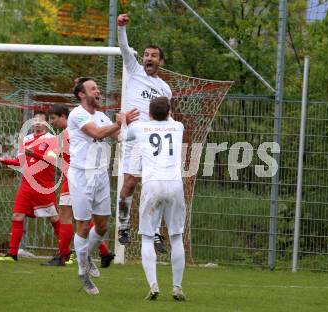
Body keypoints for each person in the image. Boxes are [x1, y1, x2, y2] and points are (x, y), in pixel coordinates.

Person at [68, 77, 138, 295]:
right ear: (82, 94)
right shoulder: (77, 113)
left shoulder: (100, 116)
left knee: (103, 226)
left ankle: (86, 255)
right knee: (82, 225)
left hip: (100, 175)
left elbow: (119, 136)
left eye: (98, 88)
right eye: (93, 88)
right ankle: (82, 271)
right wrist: (118, 123)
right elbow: (97, 133)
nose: (98, 91)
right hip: (81, 176)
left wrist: (131, 127)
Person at [117, 13, 172, 251]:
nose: (148, 58)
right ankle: (123, 225)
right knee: (130, 182)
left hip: (154, 141)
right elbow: (124, 48)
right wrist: (121, 28)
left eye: (154, 56)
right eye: (146, 55)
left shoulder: (164, 88)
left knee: (157, 186)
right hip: (133, 137)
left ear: (161, 61)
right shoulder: (134, 70)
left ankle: (156, 232)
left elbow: (166, 117)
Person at [127, 97, 186, 301]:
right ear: (169, 112)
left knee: (147, 237)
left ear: (149, 113)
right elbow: (167, 121)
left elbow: (124, 136)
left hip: (152, 184)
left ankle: (153, 285)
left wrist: (125, 120)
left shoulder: (139, 128)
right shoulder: (178, 126)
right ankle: (177, 287)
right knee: (176, 236)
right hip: (174, 184)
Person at [44, 104, 115, 267]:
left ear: (64, 117)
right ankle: (104, 252)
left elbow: (55, 157)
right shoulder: (79, 129)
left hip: (75, 178)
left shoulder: (69, 133)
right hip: (84, 176)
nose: (52, 122)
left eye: (53, 118)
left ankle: (63, 256)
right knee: (83, 220)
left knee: (67, 216)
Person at [0, 112, 62, 262]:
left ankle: (66, 252)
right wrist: (3, 160)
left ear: (46, 123)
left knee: (54, 218)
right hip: (26, 184)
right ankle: (12, 254)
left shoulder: (52, 140)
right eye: (35, 120)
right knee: (17, 216)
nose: (37, 123)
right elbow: (20, 162)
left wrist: (34, 153)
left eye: (41, 120)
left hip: (43, 186)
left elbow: (51, 160)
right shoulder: (25, 139)